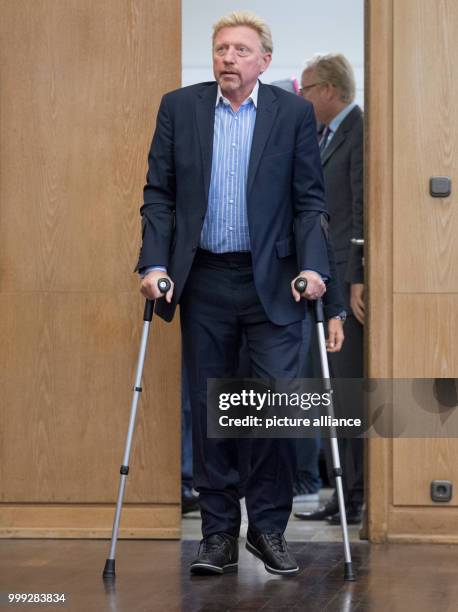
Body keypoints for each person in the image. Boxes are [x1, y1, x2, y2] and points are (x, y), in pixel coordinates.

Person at [136, 11, 331, 576]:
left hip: (273, 281)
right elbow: (159, 194)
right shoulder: (180, 108)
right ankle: (218, 534)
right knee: (210, 406)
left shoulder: (291, 113)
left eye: (242, 50)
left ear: (264, 62)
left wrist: (314, 269)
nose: (229, 57)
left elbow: (309, 202)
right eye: (222, 48)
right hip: (205, 279)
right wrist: (154, 261)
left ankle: (266, 528)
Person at [294, 53, 364, 525]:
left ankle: (355, 497)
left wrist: (358, 275)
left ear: (328, 90)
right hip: (324, 279)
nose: (300, 97)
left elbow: (361, 209)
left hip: (346, 282)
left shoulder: (359, 130)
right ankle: (341, 493)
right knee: (330, 391)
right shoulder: (323, 136)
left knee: (349, 391)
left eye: (305, 89)